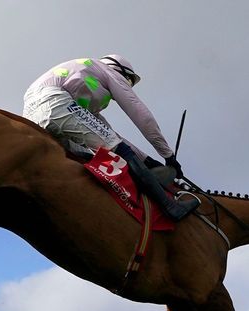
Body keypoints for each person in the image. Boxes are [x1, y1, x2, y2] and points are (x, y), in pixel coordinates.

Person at [22, 54, 200, 221]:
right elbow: (140, 114)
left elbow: (109, 134)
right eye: (129, 81)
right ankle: (171, 207)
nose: (127, 86)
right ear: (121, 71)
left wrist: (148, 161)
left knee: (89, 159)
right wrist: (168, 155)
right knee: (117, 152)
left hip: (32, 112)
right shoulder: (108, 71)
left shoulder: (84, 79)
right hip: (56, 102)